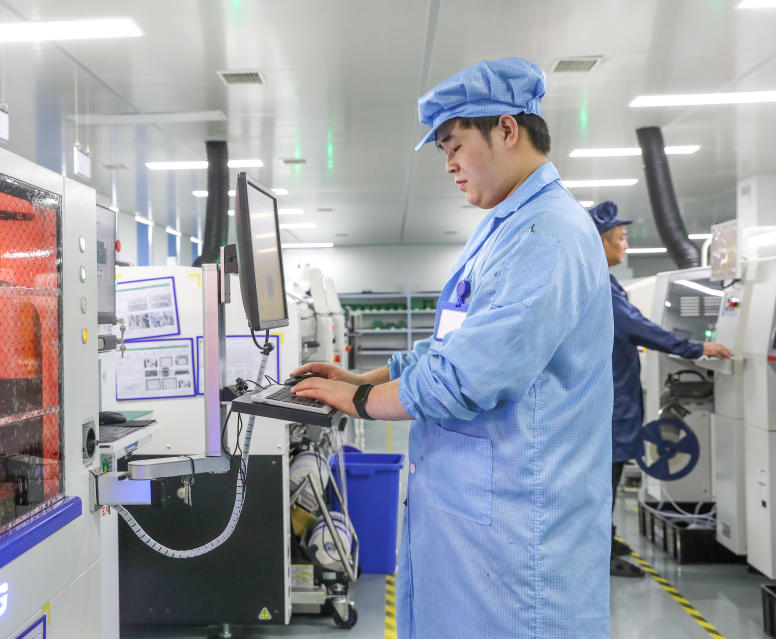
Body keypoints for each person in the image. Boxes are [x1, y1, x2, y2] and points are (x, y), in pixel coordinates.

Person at [291, 58, 613, 637]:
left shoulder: (548, 235)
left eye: (454, 144)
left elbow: (467, 376)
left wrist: (357, 404)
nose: (450, 165)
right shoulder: (507, 228)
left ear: (508, 130)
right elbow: (455, 345)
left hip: (519, 537)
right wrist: (364, 379)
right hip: (483, 524)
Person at [588, 201, 732, 578]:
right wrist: (696, 348)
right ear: (602, 242)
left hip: (613, 400)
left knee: (609, 479)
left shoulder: (604, 282)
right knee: (605, 483)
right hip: (610, 404)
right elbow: (640, 329)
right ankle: (598, 557)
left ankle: (607, 538)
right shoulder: (598, 285)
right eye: (621, 239)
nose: (626, 246)